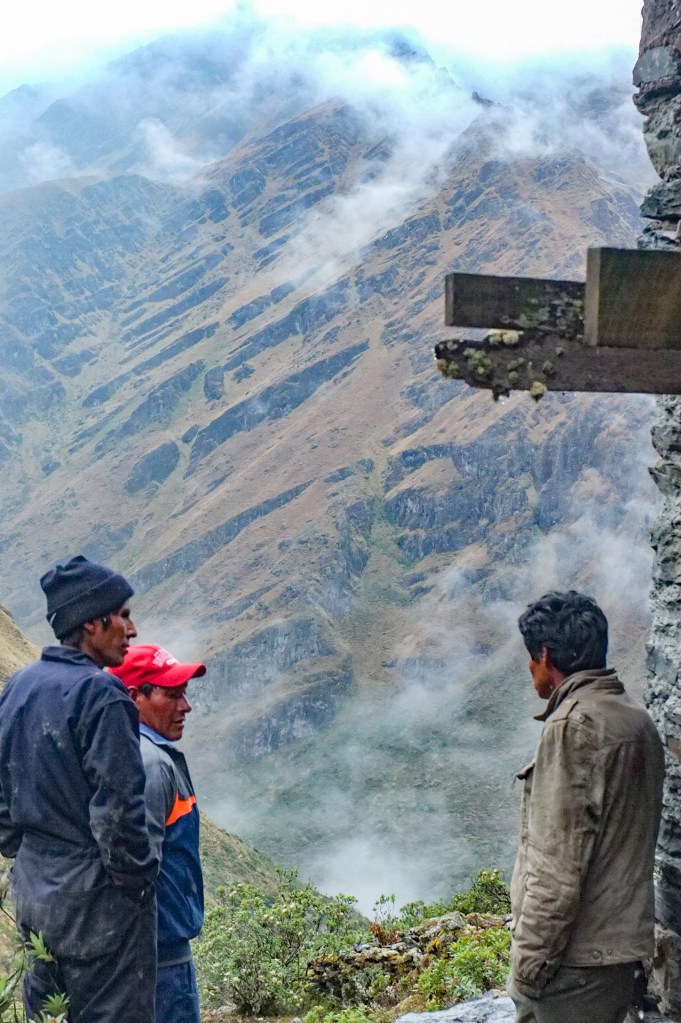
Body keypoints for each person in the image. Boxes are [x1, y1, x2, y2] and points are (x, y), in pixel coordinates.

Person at [0, 555, 159, 1023]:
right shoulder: (102, 696)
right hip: (100, 909)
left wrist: (29, 856)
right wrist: (137, 885)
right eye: (123, 616)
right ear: (92, 622)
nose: (131, 630)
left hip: (35, 899)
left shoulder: (19, 687)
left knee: (48, 1016)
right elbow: (119, 814)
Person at [508, 589, 665, 1023]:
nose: (529, 668)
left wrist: (528, 967)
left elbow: (556, 866)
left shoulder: (572, 726)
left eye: (531, 657)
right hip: (616, 957)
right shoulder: (634, 717)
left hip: (573, 965)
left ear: (544, 655)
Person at [113, 644, 205, 1023]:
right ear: (135, 697)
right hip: (160, 957)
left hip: (158, 949)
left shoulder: (146, 754)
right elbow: (137, 873)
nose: (186, 706)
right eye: (172, 694)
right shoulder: (149, 764)